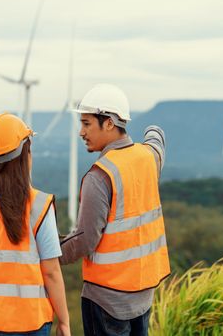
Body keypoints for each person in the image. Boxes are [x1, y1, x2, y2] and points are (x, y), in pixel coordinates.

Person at [60, 84, 170, 336]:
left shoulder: (100, 176)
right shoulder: (148, 158)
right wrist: (152, 130)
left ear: (108, 123)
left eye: (87, 124)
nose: (81, 132)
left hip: (106, 300)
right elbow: (157, 142)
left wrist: (47, 256)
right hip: (143, 295)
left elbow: (85, 240)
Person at [0, 113, 71, 336]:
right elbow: (51, 272)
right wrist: (64, 322)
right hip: (32, 323)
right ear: (25, 155)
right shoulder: (40, 205)